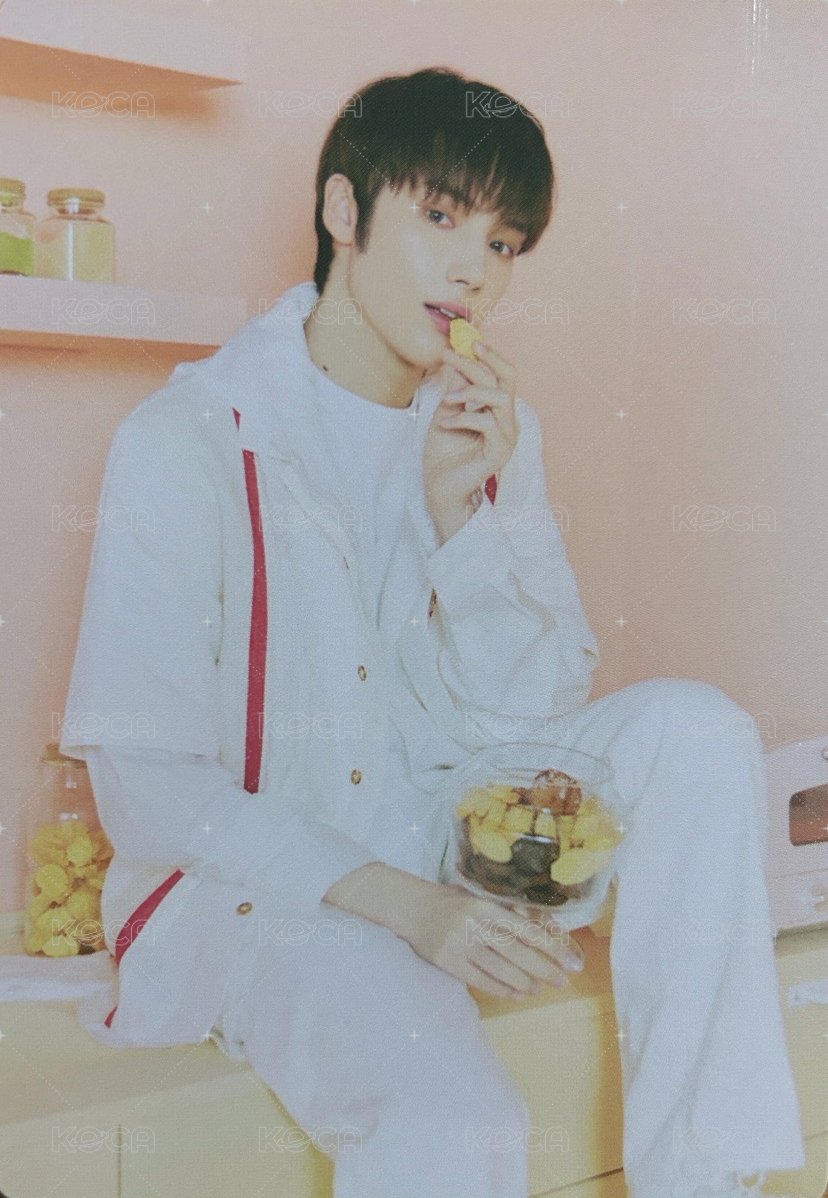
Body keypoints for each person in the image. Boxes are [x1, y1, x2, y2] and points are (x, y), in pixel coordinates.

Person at [59, 67, 805, 1198]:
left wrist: (468, 526)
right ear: (344, 210)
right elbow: (147, 786)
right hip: (270, 891)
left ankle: (702, 1182)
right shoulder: (188, 439)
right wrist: (414, 909)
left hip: (451, 834)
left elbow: (533, 720)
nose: (473, 271)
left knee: (696, 731)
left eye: (501, 244)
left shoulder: (494, 430)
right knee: (456, 1117)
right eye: (443, 218)